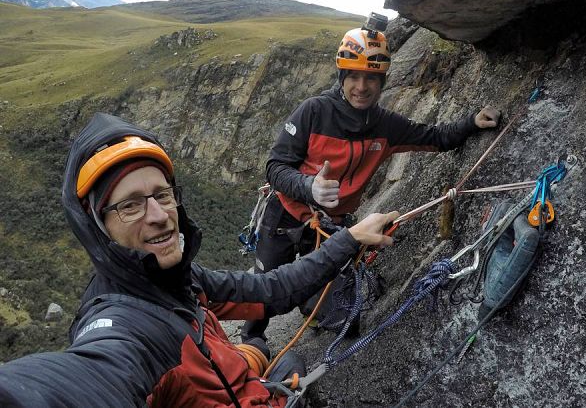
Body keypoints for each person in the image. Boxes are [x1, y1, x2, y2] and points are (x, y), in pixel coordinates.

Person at [0, 112, 398, 407]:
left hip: (228, 387)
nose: (158, 215)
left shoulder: (176, 278)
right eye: (130, 206)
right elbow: (77, 382)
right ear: (99, 228)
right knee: (286, 362)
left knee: (265, 348)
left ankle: (251, 358)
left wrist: (348, 238)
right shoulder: (125, 329)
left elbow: (271, 290)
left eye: (162, 194)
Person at [242, 21, 501, 342]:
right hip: (283, 217)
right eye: (354, 76)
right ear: (342, 77)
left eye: (371, 78)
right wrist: (309, 186)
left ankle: (311, 308)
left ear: (381, 81)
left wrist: (472, 123)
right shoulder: (313, 112)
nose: (361, 87)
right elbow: (276, 167)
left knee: (344, 320)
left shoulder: (385, 126)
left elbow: (434, 137)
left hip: (330, 229)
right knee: (264, 290)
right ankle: (252, 343)